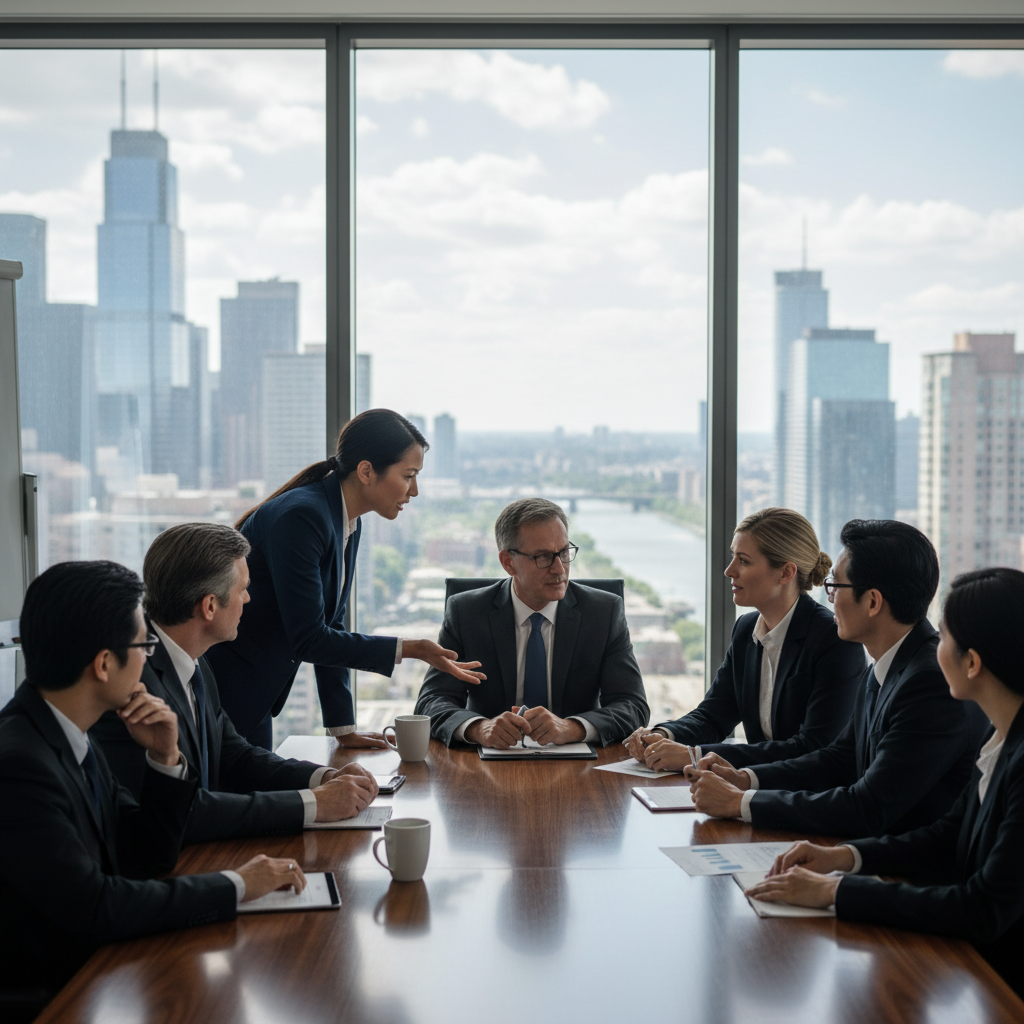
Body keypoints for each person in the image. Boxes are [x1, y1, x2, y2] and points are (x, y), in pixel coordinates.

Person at [0, 561, 308, 1004]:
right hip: (53, 996)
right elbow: (98, 907)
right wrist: (237, 884)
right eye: (143, 643)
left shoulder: (68, 733)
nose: (150, 657)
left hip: (97, 974)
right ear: (105, 664)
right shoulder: (20, 765)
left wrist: (165, 757)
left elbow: (149, 854)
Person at [744, 567, 1024, 999]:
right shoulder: (1000, 737)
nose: (936, 647)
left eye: (945, 637)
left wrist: (836, 891)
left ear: (973, 663)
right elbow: (946, 836)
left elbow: (982, 908)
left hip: (999, 986)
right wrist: (843, 858)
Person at [686, 519, 987, 838]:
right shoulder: (887, 665)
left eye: (835, 586)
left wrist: (742, 803)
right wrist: (746, 779)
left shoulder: (930, 683)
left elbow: (868, 808)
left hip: (913, 871)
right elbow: (839, 759)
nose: (829, 599)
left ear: (872, 601)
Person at [205, 408, 484, 749]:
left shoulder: (346, 520)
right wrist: (410, 649)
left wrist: (343, 728)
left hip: (253, 693)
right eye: (408, 475)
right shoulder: (304, 518)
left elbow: (331, 626)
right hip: (225, 691)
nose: (414, 491)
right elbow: (309, 639)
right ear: (366, 471)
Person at [91, 522, 380, 843]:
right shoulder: (131, 681)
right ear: (210, 606)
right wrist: (314, 804)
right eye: (242, 588)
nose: (248, 598)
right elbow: (174, 810)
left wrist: (323, 777)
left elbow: (234, 755)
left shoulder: (195, 659)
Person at [624, 507, 864, 771]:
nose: (729, 571)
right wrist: (663, 735)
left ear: (786, 573)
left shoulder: (834, 640)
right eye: (732, 557)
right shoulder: (745, 629)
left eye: (744, 561)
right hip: (756, 790)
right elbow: (714, 716)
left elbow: (812, 747)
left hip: (809, 799)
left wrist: (696, 756)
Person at [414, 497, 649, 748]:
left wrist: (572, 727)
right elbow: (431, 702)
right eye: (544, 557)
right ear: (508, 562)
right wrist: (478, 728)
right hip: (489, 764)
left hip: (579, 764)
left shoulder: (603, 613)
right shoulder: (467, 613)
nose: (559, 569)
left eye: (564, 553)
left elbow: (633, 706)